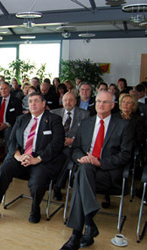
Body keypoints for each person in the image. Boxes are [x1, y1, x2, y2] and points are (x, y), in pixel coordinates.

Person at [60, 91, 133, 250]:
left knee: (81, 178)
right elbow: (76, 148)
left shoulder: (123, 125)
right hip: (87, 169)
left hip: (108, 173)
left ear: (113, 105)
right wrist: (81, 158)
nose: (101, 104)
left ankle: (79, 232)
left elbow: (126, 155)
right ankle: (82, 229)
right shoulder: (86, 123)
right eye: (99, 101)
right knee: (84, 170)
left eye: (105, 102)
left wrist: (99, 162)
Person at [0, 92, 65, 225]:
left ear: (43, 104)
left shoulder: (54, 119)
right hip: (21, 157)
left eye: (36, 101)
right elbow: (12, 140)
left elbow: (57, 143)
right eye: (30, 101)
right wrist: (18, 156)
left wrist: (37, 159)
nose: (33, 104)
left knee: (37, 183)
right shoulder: (22, 118)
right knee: (2, 172)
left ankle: (35, 208)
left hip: (41, 160)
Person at [50, 93, 90, 201]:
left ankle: (58, 186)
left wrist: (73, 140)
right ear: (62, 101)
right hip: (56, 144)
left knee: (67, 155)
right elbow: (49, 132)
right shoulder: (54, 113)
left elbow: (86, 133)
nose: (68, 102)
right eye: (65, 100)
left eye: (71, 100)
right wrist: (59, 140)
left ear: (75, 101)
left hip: (73, 146)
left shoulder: (84, 114)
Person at [0, 82, 23, 154]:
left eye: (5, 89)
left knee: (8, 131)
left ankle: (7, 156)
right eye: (1, 89)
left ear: (9, 89)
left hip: (9, 125)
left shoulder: (16, 101)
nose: (3, 91)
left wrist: (6, 124)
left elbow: (18, 116)